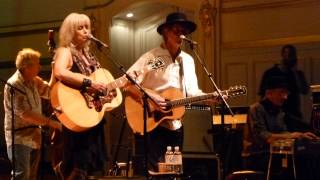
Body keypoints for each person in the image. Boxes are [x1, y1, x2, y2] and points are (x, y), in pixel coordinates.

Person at [125, 12, 219, 172]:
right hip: (153, 122)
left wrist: (209, 98)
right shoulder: (152, 57)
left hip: (176, 124)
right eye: (177, 31)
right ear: (165, 32)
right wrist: (150, 97)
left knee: (173, 171)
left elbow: (192, 92)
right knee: (155, 171)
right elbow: (128, 84)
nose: (181, 35)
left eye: (184, 32)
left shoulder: (188, 60)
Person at [53, 13, 111, 179]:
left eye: (87, 27)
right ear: (70, 32)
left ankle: (63, 169)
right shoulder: (65, 51)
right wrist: (89, 83)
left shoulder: (89, 56)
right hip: (77, 114)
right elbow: (60, 72)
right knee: (80, 163)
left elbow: (100, 83)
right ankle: (63, 169)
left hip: (92, 115)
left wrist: (109, 91)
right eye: (80, 28)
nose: (86, 31)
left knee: (89, 165)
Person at [3, 48, 62, 180]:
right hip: (19, 138)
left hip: (34, 138)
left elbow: (49, 92)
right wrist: (51, 123)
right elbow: (25, 114)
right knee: (22, 175)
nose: (40, 66)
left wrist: (54, 69)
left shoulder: (34, 80)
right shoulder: (14, 84)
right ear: (26, 67)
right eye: (37, 63)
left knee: (31, 177)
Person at [244, 76, 318, 178]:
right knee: (298, 162)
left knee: (308, 158)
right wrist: (292, 135)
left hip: (274, 153)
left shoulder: (279, 111)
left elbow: (282, 132)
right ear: (269, 93)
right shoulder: (256, 109)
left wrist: (301, 136)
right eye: (282, 93)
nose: (285, 97)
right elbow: (264, 137)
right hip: (257, 156)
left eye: (286, 93)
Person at [258, 44, 310, 131]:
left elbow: (304, 90)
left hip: (293, 114)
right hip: (275, 114)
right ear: (283, 55)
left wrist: (295, 72)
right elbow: (262, 95)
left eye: (293, 55)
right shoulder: (271, 73)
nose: (291, 58)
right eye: (289, 55)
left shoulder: (297, 74)